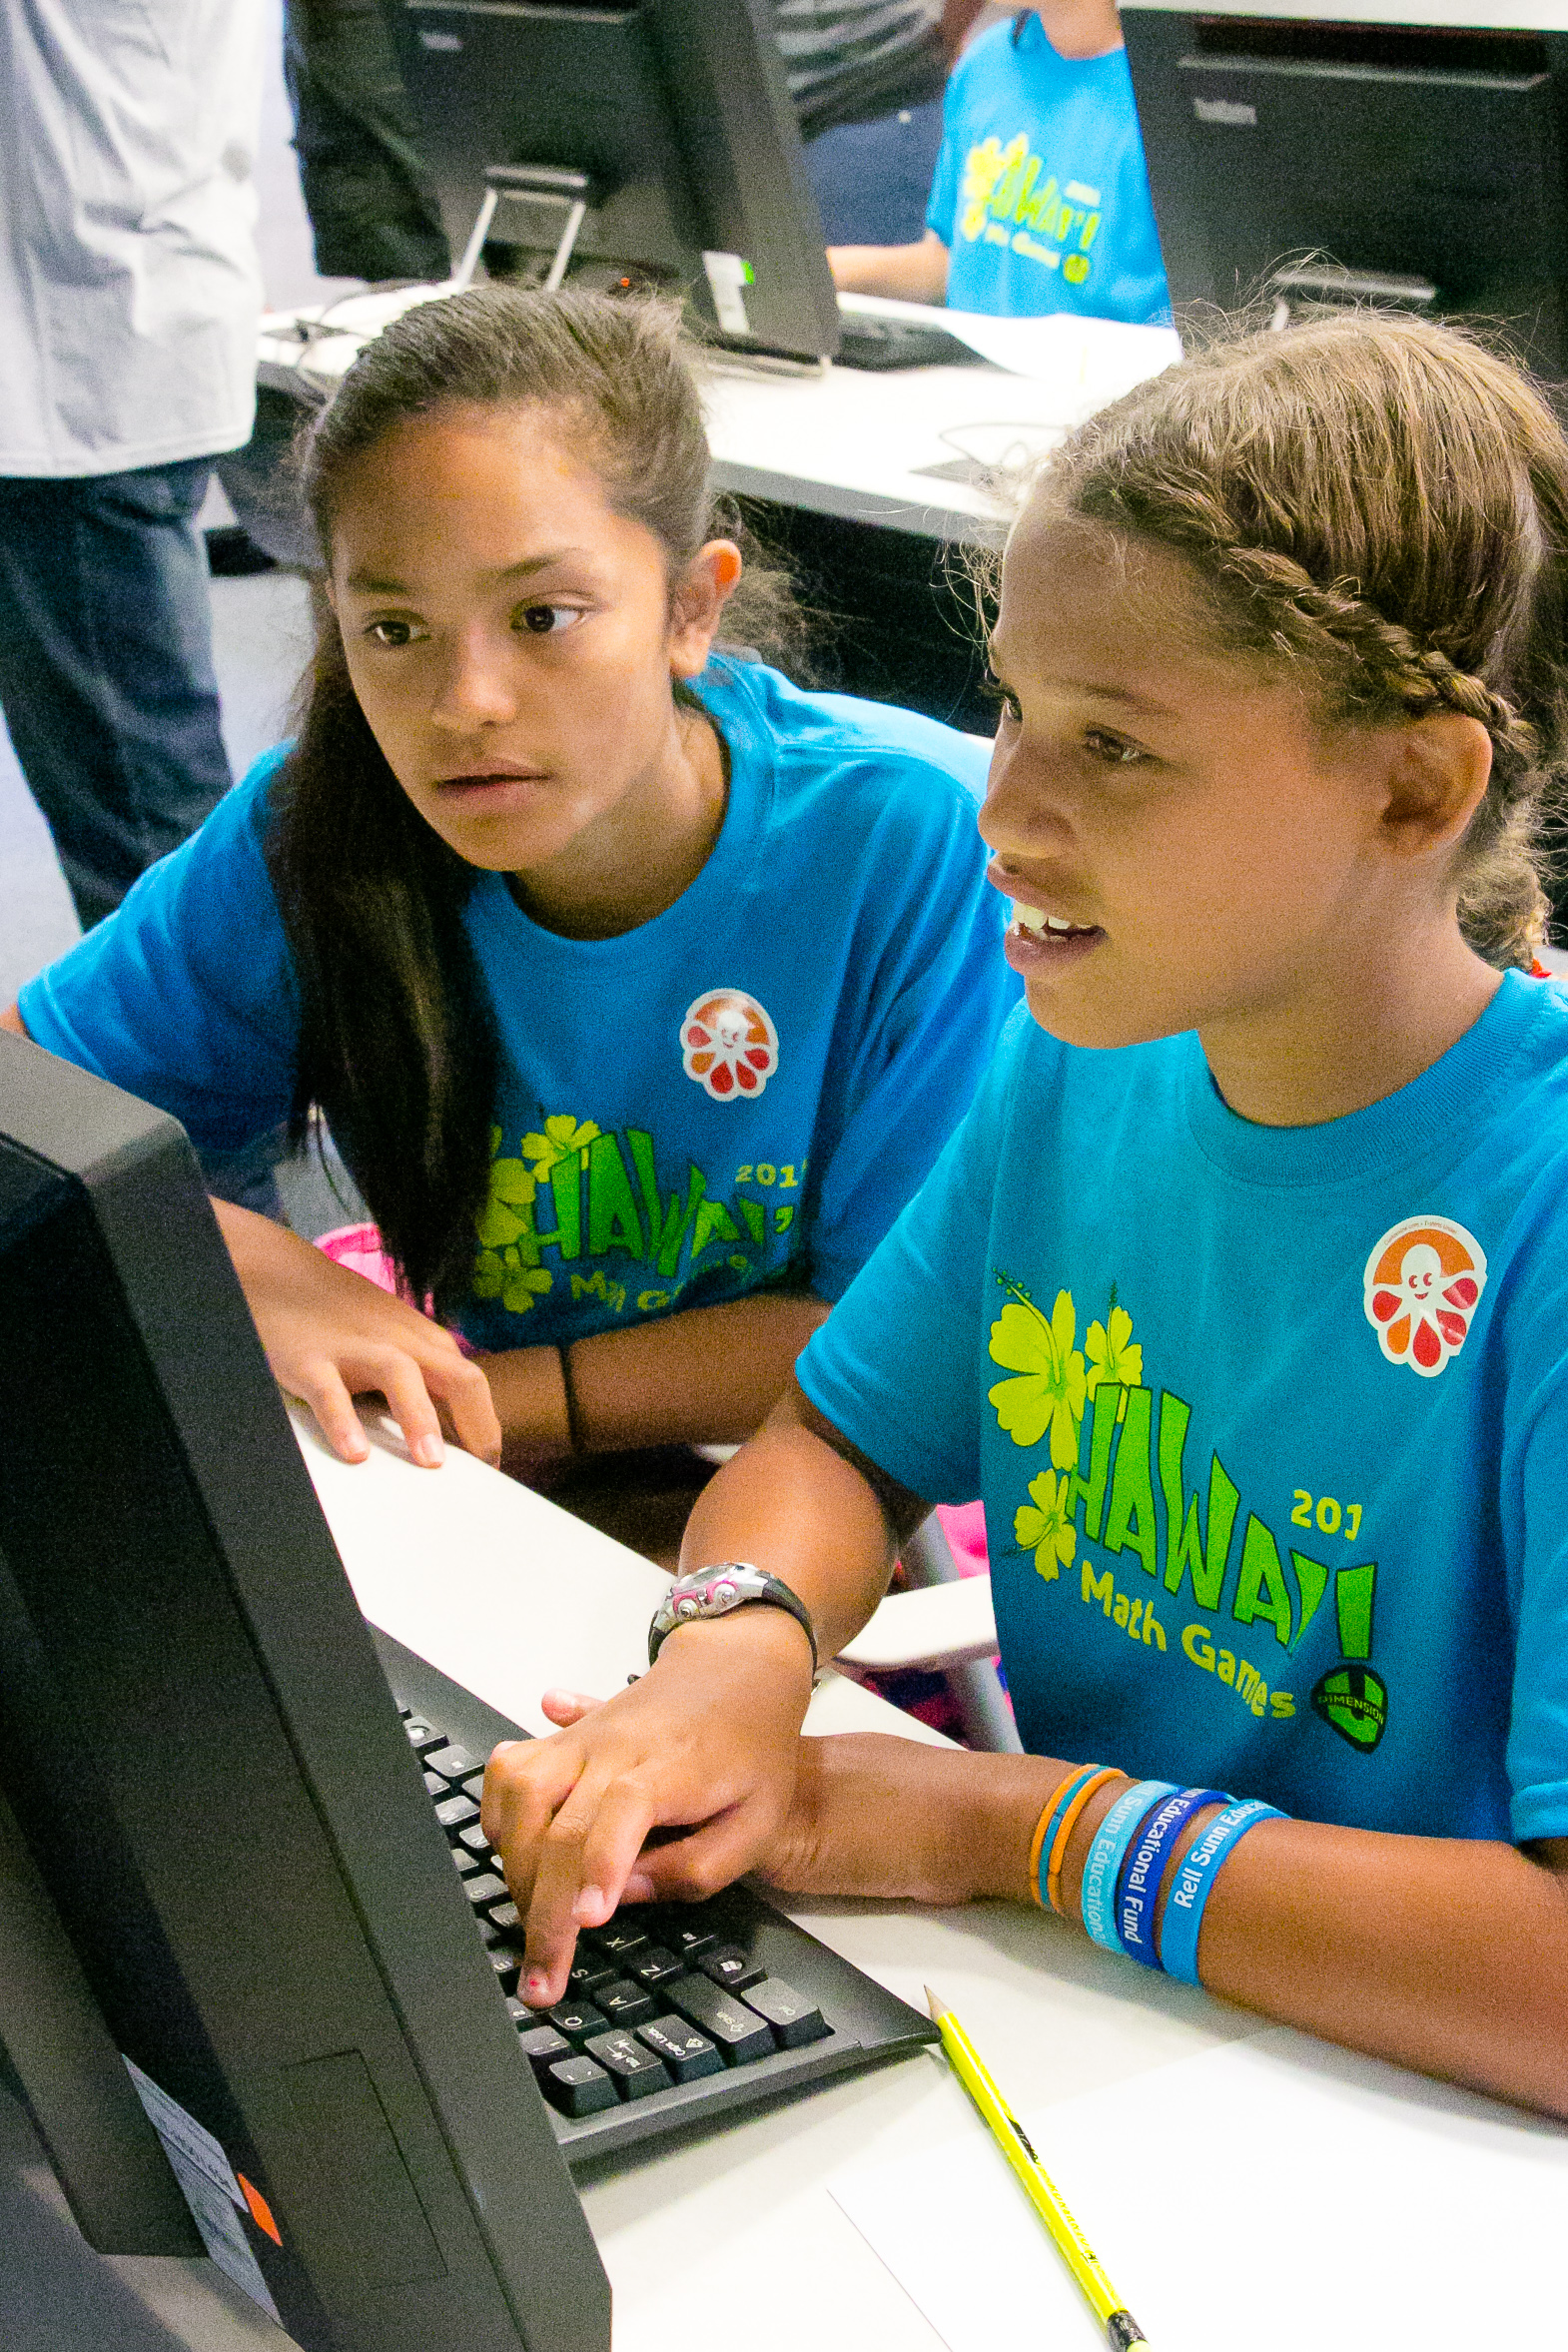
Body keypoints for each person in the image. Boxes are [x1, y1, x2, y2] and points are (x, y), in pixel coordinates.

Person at [480, 314, 1568, 2122]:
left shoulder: (1534, 1202)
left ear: (1414, 786)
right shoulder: (1092, 1051)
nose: (1007, 810)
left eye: (1117, 749)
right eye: (1013, 709)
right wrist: (738, 1644)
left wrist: (1018, 1827)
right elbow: (839, 1428)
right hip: (1120, 2034)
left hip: (1422, 2125)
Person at [3, 287, 1017, 1494]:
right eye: (393, 629)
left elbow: (890, 1347)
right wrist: (265, 1278)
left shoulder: (916, 840)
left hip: (805, 1480)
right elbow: (22, 1108)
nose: (464, 701)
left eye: (543, 616)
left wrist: (481, 1401)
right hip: (480, 1461)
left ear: (692, 607)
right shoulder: (317, 819)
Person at [0, 0, 266, 930]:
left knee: (140, 828)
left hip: (79, 375)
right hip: (92, 343)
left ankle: (202, 1072)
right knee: (134, 808)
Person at [828, 0, 1170, 325]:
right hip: (968, 371)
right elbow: (953, 259)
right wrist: (808, 272)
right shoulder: (987, 60)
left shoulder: (1163, 96)